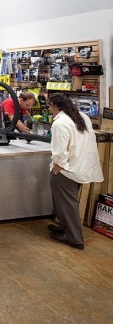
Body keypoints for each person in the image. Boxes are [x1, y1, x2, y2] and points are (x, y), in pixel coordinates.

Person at [47, 93, 103, 250]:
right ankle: (64, 227)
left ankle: (74, 238)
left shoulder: (59, 123)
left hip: (66, 170)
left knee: (68, 204)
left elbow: (59, 150)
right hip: (78, 166)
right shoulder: (81, 116)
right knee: (63, 202)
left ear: (52, 105)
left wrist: (58, 167)